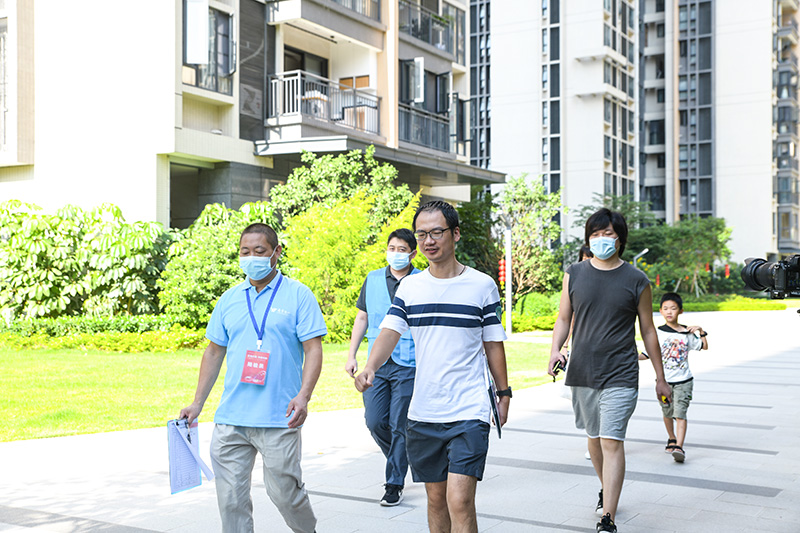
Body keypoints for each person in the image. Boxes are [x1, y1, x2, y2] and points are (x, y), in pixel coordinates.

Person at [354, 200, 510, 533]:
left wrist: (504, 393)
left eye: (437, 232)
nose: (428, 241)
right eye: (421, 234)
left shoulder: (482, 285)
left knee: (459, 500)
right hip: (424, 411)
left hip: (469, 408)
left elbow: (493, 343)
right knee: (436, 500)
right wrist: (370, 367)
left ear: (455, 234)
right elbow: (389, 331)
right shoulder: (411, 286)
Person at [179, 223, 327, 533]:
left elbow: (313, 349)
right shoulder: (230, 299)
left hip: (280, 416)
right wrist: (197, 403)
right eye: (245, 252)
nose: (251, 257)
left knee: (285, 495)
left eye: (259, 251)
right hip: (232, 418)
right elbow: (213, 352)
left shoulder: (298, 295)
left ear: (276, 252)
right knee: (231, 500)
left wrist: (303, 396)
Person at [548, 208, 671, 533]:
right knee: (594, 439)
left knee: (611, 440)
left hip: (621, 372)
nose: (601, 239)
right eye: (596, 234)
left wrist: (660, 377)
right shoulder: (574, 273)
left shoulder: (637, 279)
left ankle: (608, 518)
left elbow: (648, 330)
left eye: (608, 234)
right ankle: (607, 488)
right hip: (582, 371)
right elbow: (564, 317)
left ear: (620, 240)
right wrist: (555, 350)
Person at [345, 229, 421, 506]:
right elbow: (362, 317)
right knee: (375, 422)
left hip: (408, 362)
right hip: (375, 364)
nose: (395, 253)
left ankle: (394, 482)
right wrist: (352, 355)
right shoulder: (373, 278)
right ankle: (404, 458)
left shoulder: (423, 280)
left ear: (413, 254)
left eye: (402, 249)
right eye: (392, 248)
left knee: (399, 424)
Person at [639, 292, 708, 463]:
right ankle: (671, 437)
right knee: (667, 412)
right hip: (664, 382)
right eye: (666, 308)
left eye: (673, 308)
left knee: (680, 413)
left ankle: (679, 446)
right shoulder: (657, 333)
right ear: (661, 311)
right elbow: (646, 354)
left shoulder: (686, 332)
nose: (669, 312)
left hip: (684, 381)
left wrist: (701, 331)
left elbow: (703, 346)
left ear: (681, 311)